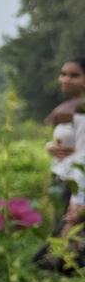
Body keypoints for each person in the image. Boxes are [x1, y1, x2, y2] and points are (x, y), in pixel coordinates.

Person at [45, 57, 85, 232]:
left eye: (74, 75)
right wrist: (50, 147)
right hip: (63, 180)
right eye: (63, 74)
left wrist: (78, 200)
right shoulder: (68, 107)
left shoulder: (81, 112)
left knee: (68, 245)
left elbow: (83, 156)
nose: (66, 79)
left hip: (76, 186)